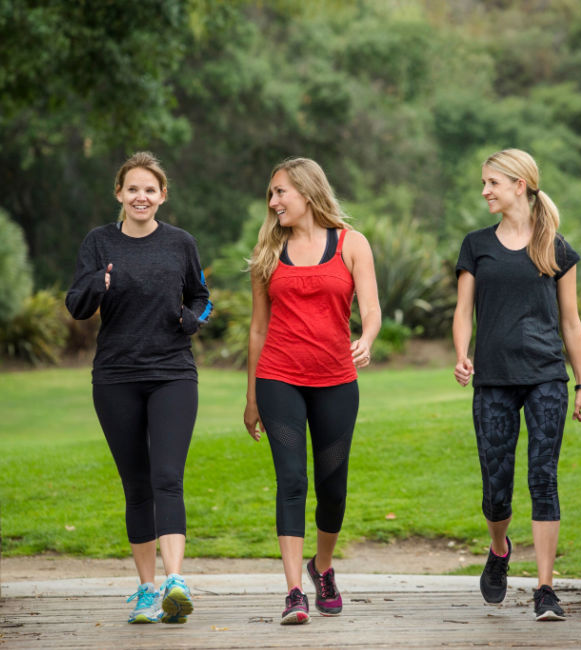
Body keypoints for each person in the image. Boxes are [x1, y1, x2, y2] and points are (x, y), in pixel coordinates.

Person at [65, 151, 212, 625]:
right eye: (133, 189)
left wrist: (191, 319)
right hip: (115, 377)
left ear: (162, 195)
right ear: (119, 194)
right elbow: (76, 305)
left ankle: (175, 582)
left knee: (167, 476)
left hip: (172, 373)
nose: (141, 196)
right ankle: (147, 591)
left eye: (150, 189)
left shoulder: (181, 243)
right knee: (137, 486)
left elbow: (202, 297)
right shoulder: (98, 242)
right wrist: (98, 284)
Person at [452, 148, 581, 622]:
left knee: (543, 478)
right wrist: (461, 354)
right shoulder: (476, 244)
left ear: (519, 185)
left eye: (492, 182)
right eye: (484, 182)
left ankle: (545, 589)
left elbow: (571, 323)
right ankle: (500, 548)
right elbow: (463, 311)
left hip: (546, 378)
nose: (485, 190)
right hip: (492, 380)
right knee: (497, 488)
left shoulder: (557, 248)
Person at [244, 157, 381, 625]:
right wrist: (250, 398)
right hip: (279, 377)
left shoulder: (351, 243)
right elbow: (258, 329)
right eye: (271, 193)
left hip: (336, 381)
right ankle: (294, 592)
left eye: (280, 191)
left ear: (306, 192)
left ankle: (322, 568)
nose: (274, 201)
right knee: (292, 480)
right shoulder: (267, 249)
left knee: (332, 486)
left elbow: (372, 307)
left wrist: (366, 338)